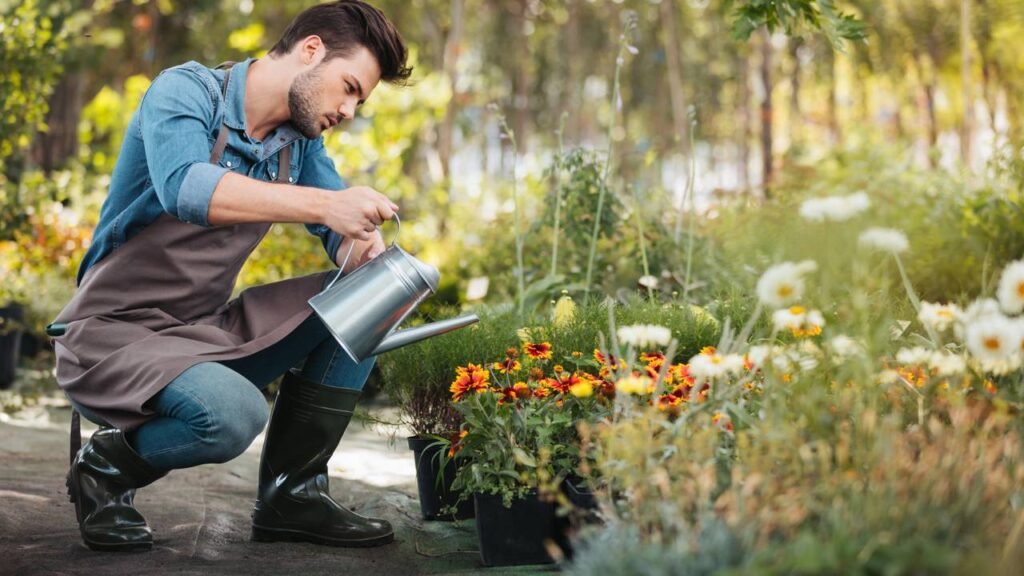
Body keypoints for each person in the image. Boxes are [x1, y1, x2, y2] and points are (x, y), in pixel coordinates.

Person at [51, 1, 412, 552]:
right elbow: (187, 189)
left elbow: (339, 222)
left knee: (372, 293)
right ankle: (105, 466)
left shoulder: (299, 142)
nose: (349, 109)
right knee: (231, 415)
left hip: (201, 330)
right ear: (311, 50)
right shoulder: (186, 93)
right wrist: (323, 206)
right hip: (114, 333)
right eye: (349, 87)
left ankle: (292, 495)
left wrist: (359, 246)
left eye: (358, 99)